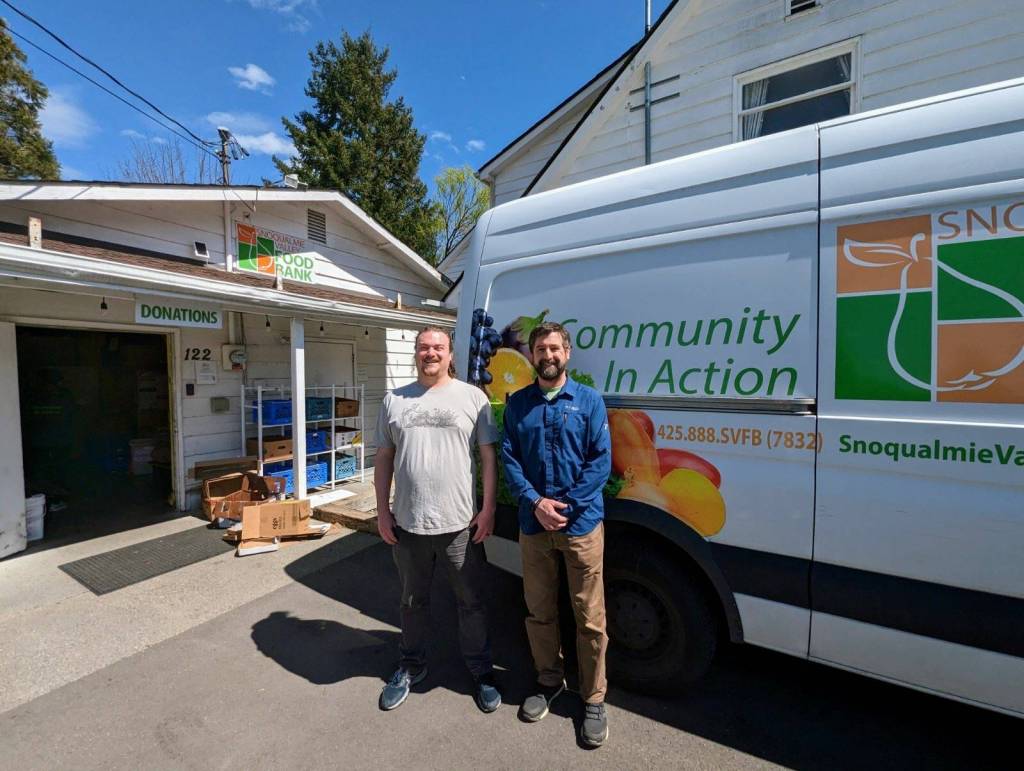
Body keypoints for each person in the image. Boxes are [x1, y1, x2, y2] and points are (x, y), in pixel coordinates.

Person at [374, 325, 501, 714]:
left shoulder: (473, 397)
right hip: (409, 526)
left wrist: (488, 509)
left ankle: (481, 671)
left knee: (471, 603)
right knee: (412, 602)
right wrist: (382, 511)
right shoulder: (394, 400)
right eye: (424, 347)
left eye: (438, 347)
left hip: (460, 525)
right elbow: (383, 459)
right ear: (416, 353)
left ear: (450, 355)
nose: (431, 353)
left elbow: (488, 458)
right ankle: (411, 665)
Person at [501, 321, 612, 747]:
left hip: (581, 526)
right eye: (540, 349)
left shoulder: (588, 402)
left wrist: (564, 508)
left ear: (567, 353)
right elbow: (510, 458)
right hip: (534, 526)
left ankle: (594, 698)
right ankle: (549, 681)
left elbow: (601, 461)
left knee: (590, 618)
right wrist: (536, 503)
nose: (548, 355)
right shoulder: (518, 405)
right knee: (539, 610)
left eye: (554, 348)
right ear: (531, 355)